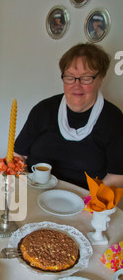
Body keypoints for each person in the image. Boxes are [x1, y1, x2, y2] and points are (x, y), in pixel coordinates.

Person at [14, 43, 123, 190]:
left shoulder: (114, 120)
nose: (76, 86)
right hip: (37, 193)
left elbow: (117, 176)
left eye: (86, 78)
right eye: (70, 77)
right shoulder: (43, 110)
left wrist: (93, 204)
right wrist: (26, 189)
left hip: (85, 203)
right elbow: (18, 156)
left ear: (100, 78)